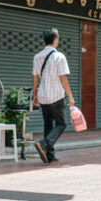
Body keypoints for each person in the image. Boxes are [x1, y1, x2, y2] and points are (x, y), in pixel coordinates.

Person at [31, 28, 76, 164]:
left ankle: (49, 156)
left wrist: (35, 95)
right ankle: (45, 144)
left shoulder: (37, 56)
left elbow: (34, 78)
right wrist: (70, 96)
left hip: (43, 96)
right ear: (55, 39)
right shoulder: (59, 57)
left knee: (48, 125)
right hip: (56, 96)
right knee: (61, 123)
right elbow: (63, 79)